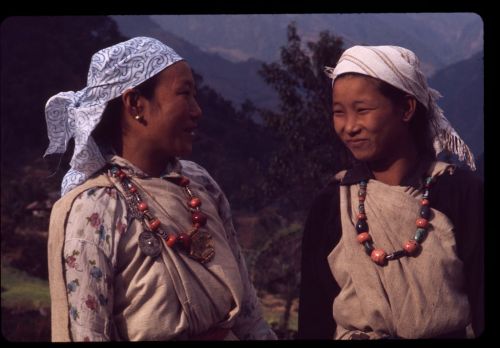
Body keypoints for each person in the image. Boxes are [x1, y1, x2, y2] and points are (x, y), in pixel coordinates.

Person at [45, 36, 277, 342]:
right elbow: (86, 333)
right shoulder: (94, 209)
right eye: (184, 94)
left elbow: (248, 315)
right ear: (136, 104)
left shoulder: (200, 184)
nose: (197, 111)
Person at [297, 45, 483, 339]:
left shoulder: (461, 193)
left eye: (362, 110)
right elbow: (314, 318)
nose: (349, 127)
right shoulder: (333, 203)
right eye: (338, 113)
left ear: (406, 109)